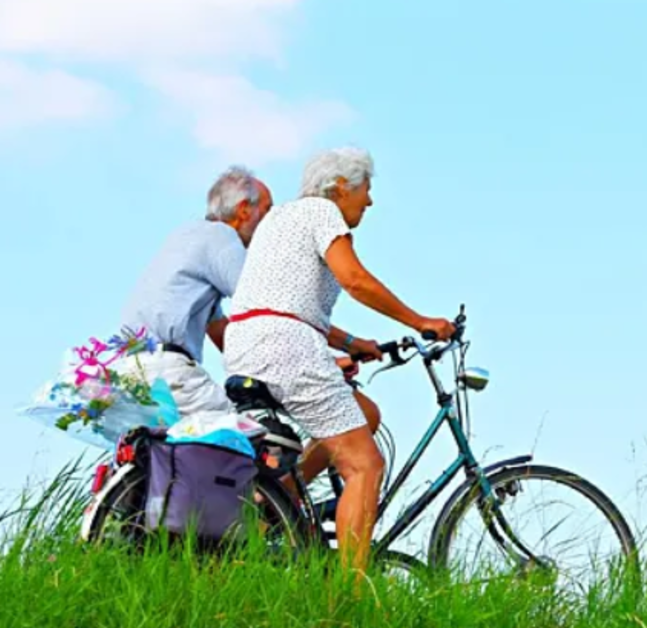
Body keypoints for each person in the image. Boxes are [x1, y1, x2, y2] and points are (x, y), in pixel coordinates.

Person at [222, 146, 455, 572]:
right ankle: (349, 593)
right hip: (286, 347)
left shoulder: (278, 219)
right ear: (342, 186)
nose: (370, 200)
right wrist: (421, 321)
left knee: (364, 413)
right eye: (366, 189)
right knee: (364, 465)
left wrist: (350, 344)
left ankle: (280, 500)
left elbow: (283, 302)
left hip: (249, 345)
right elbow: (355, 280)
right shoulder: (322, 211)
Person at [116, 166, 273, 420]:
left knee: (175, 444)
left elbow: (219, 330)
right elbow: (267, 303)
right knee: (249, 434)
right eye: (267, 211)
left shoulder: (187, 236)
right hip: (167, 370)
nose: (270, 222)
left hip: (130, 372)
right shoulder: (221, 236)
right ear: (244, 209)